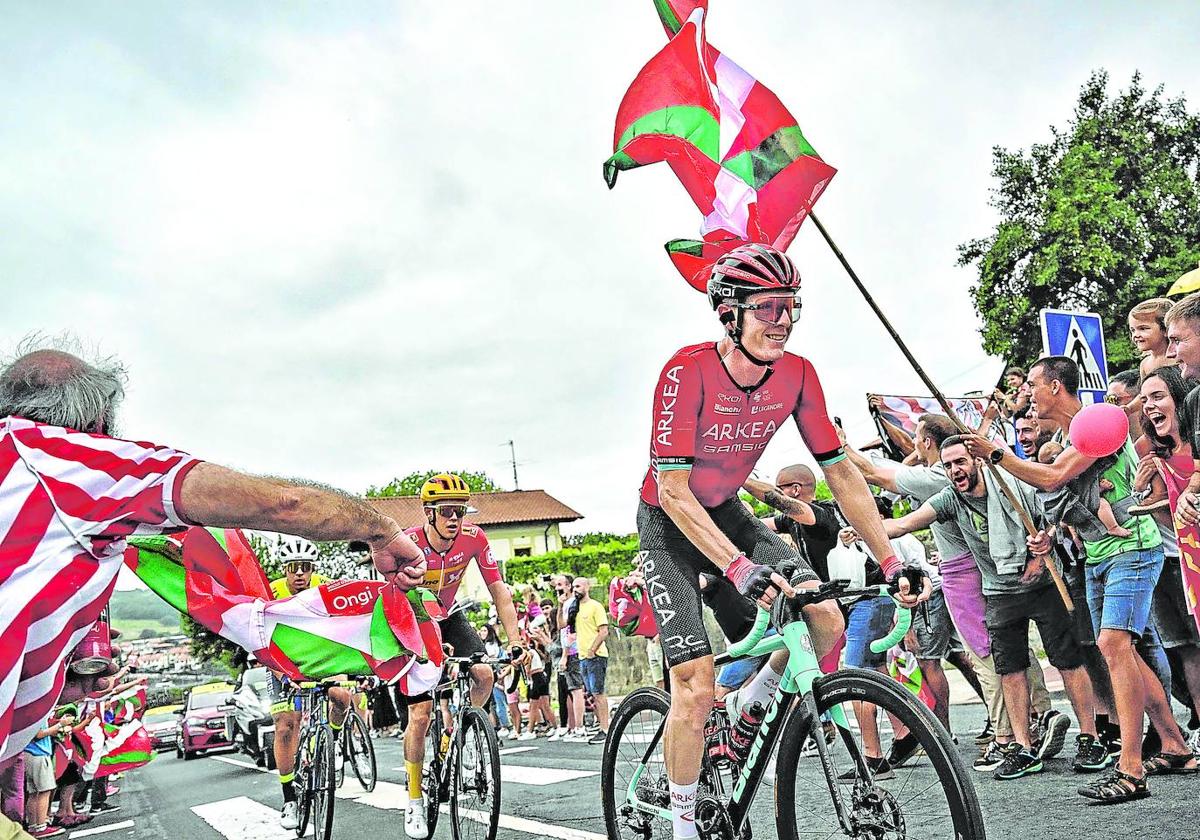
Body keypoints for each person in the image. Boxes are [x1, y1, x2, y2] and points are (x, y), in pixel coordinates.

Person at [0, 343, 427, 804]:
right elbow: (282, 503)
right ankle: (290, 795)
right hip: (283, 672)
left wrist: (56, 679)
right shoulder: (66, 458)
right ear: (98, 423)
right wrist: (381, 532)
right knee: (286, 723)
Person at [635, 243, 926, 840]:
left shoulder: (797, 373)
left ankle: (751, 705)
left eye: (791, 306)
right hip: (670, 523)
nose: (783, 319)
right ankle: (686, 825)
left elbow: (840, 472)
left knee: (824, 618)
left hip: (729, 512)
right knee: (692, 685)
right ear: (728, 312)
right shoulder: (685, 371)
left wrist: (890, 559)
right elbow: (673, 493)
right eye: (767, 307)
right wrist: (738, 569)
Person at [965, 356, 1196, 801]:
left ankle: (1131, 769)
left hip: (1132, 548)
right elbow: (1052, 492)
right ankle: (1173, 742)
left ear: (1055, 386)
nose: (1025, 394)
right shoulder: (1062, 437)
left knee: (1114, 646)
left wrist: (994, 453)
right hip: (1096, 556)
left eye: (1032, 384)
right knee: (1122, 651)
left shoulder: (1100, 419)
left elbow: (1052, 478)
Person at [837, 413, 1059, 770]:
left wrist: (838, 444)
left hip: (964, 574)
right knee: (1000, 650)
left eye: (917, 438)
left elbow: (875, 473)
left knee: (987, 655)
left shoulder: (937, 477)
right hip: (985, 569)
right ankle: (1040, 714)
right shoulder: (959, 470)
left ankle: (1006, 736)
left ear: (927, 442)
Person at [884, 436, 1106, 783]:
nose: (955, 470)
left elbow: (1052, 514)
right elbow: (904, 523)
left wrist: (1042, 545)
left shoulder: (1012, 483)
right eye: (948, 465)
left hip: (1044, 582)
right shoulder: (949, 499)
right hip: (1000, 590)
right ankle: (1022, 746)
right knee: (1009, 669)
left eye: (961, 462)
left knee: (1068, 660)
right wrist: (861, 529)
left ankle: (1090, 738)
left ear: (978, 462)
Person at [401, 474, 523, 840]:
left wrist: (516, 641)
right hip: (409, 617)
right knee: (420, 715)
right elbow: (395, 598)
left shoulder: (474, 539)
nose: (455, 518)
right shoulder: (408, 543)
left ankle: (462, 732)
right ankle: (414, 800)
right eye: (447, 511)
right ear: (429, 513)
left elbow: (499, 590)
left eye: (461, 511)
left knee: (484, 674)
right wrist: (427, 643)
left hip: (448, 614)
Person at [1134, 365, 1200, 754]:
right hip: (1182, 562)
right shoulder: (1157, 456)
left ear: (1180, 399)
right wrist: (1145, 493)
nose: (1150, 406)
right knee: (1185, 646)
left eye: (1158, 396)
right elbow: (1170, 517)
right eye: (1145, 400)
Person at [266, 536, 351, 831]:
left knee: (342, 696)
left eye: (305, 567)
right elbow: (261, 638)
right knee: (286, 724)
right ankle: (289, 797)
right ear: (285, 569)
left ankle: (334, 744)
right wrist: (283, 676)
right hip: (281, 660)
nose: (300, 573)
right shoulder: (271, 591)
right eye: (293, 568)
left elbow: (343, 627)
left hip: (318, 658)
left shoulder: (325, 587)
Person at [742, 464, 840, 583]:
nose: (777, 492)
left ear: (796, 489)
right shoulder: (790, 520)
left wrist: (741, 479)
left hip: (855, 596)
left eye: (779, 489)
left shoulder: (824, 513)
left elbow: (782, 502)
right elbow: (757, 524)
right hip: (828, 592)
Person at [571, 577, 611, 745]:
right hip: (583, 657)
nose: (575, 589)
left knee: (598, 693)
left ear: (587, 587)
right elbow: (561, 625)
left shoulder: (595, 606)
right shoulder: (574, 608)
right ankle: (600, 725)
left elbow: (604, 631)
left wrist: (592, 650)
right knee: (591, 694)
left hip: (596, 656)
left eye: (578, 586)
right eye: (573, 587)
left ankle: (605, 729)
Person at [1129, 298, 1175, 377]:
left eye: (1143, 328)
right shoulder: (1145, 364)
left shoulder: (1179, 359)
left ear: (1166, 330)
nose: (1136, 335)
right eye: (1133, 330)